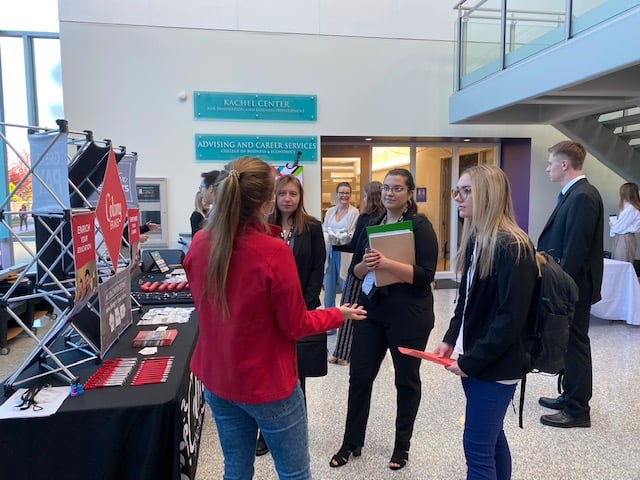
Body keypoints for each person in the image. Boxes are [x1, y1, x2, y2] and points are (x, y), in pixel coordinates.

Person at [183, 156, 366, 480]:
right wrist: (337, 314)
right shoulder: (273, 252)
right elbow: (295, 324)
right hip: (267, 384)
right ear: (268, 202)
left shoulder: (200, 244)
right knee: (294, 473)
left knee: (235, 469)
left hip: (218, 379)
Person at [434, 164, 538, 480]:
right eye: (457, 191)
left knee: (477, 451)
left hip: (494, 365)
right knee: (491, 441)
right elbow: (465, 300)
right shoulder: (478, 239)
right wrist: (451, 338)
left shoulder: (512, 245)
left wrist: (472, 362)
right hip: (476, 358)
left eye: (467, 191)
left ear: (488, 195)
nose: (458, 198)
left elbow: (511, 318)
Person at [330, 168, 437, 471]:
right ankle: (351, 441)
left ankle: (402, 447)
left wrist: (389, 263)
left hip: (408, 317)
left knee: (406, 381)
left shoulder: (420, 227)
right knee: (360, 377)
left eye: (397, 189)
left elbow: (425, 275)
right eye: (387, 188)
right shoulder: (371, 223)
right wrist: (365, 264)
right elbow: (357, 272)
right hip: (372, 312)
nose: (390, 193)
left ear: (409, 194)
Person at [254, 174, 326, 457]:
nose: (287, 199)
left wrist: (305, 303)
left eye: (292, 194)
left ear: (300, 198)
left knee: (298, 375)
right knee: (267, 372)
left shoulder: (312, 227)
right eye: (282, 193)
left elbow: (317, 268)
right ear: (274, 196)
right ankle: (264, 434)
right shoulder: (261, 227)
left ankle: (296, 431)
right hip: (267, 314)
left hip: (300, 310)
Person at [537, 140, 603, 428]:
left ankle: (578, 409)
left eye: (551, 162)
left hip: (574, 290)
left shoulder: (582, 196)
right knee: (568, 344)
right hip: (570, 287)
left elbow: (576, 249)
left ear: (565, 164)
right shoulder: (574, 194)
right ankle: (569, 395)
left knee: (576, 346)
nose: (547, 167)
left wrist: (560, 288)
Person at [328, 181, 384, 366]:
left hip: (357, 270)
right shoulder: (384, 218)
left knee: (348, 309)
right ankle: (345, 353)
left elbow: (355, 246)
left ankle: (342, 355)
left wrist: (335, 244)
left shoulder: (365, 217)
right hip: (374, 272)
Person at [322, 182, 359, 334]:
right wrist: (332, 235)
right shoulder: (330, 211)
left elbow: (352, 233)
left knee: (346, 289)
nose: (344, 196)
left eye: (347, 193)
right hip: (330, 252)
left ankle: (347, 327)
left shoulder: (354, 212)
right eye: (341, 193)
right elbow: (324, 228)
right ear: (336, 195)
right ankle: (330, 326)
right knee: (328, 288)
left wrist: (336, 235)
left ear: (350, 195)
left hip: (345, 254)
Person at [609, 182, 640, 263]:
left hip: (625, 238)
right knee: (619, 263)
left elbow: (619, 227)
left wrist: (613, 225)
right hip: (624, 237)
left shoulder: (631, 209)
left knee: (621, 263)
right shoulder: (629, 207)